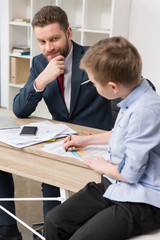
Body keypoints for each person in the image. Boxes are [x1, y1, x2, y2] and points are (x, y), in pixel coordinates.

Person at [0, 6, 114, 239]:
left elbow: (134, 87)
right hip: (61, 141)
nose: (48, 47)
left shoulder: (95, 56)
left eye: (54, 39)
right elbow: (20, 109)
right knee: (41, 176)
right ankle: (13, 230)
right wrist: (41, 81)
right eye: (42, 41)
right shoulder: (39, 63)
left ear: (69, 33)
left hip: (95, 144)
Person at [45, 36, 160, 240]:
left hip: (143, 199)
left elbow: (130, 174)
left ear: (113, 87)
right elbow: (122, 135)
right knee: (55, 221)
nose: (94, 87)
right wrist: (85, 140)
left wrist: (101, 166)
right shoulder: (133, 97)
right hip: (116, 184)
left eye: (95, 83)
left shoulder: (145, 110)